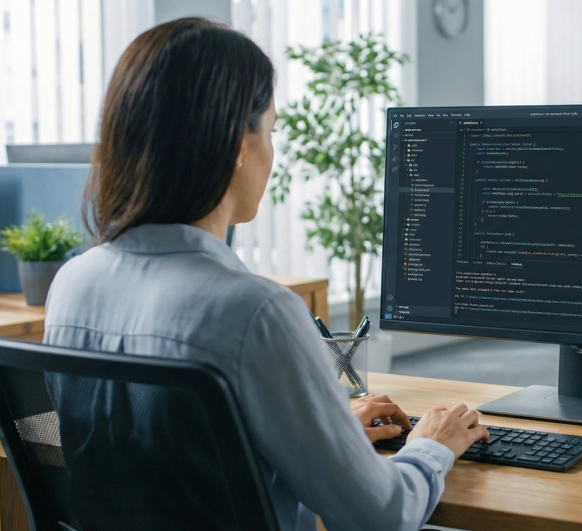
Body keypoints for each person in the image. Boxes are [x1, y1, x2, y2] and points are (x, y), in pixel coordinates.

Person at [43, 17, 488, 531]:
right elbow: (380, 515)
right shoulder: (254, 312)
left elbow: (171, 451)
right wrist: (430, 447)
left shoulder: (72, 285)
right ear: (237, 145)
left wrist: (323, 433)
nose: (273, 152)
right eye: (271, 130)